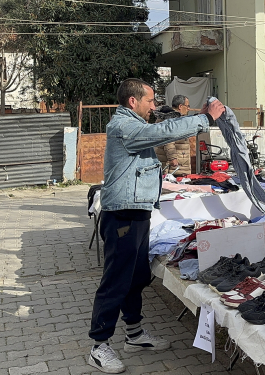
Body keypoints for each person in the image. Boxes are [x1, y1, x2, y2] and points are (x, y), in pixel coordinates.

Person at [88, 79, 225, 374]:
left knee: (136, 277)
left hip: (137, 213)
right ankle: (99, 346)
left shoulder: (134, 125)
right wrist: (205, 119)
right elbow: (162, 132)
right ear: (133, 101)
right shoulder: (123, 126)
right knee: (116, 281)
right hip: (122, 216)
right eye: (150, 101)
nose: (154, 106)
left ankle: (134, 334)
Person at [153, 95, 192, 176]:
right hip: (174, 167)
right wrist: (172, 158)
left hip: (172, 163)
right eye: (187, 106)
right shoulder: (172, 119)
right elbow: (168, 140)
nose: (188, 109)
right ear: (180, 106)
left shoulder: (167, 118)